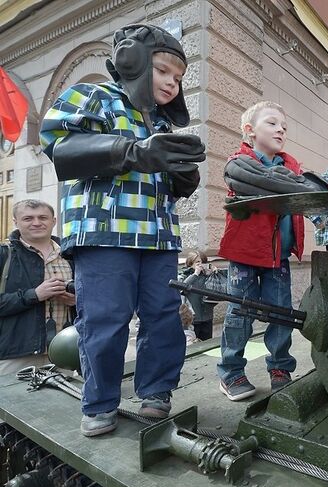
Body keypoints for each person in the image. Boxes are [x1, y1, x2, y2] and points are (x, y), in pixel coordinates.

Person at [39, 24, 205, 437]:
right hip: (102, 234)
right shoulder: (93, 95)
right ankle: (99, 404)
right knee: (105, 320)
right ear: (133, 62)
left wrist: (183, 178)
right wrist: (132, 151)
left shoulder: (163, 123)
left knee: (165, 317)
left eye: (179, 78)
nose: (172, 83)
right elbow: (59, 146)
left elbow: (165, 175)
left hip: (160, 236)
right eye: (164, 71)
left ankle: (156, 392)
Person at [217, 101, 303, 400]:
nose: (280, 129)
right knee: (240, 312)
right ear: (250, 131)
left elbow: (309, 189)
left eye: (284, 126)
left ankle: (280, 367)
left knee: (281, 313)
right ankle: (231, 372)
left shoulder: (291, 167)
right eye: (272, 123)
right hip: (245, 255)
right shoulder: (239, 164)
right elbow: (249, 184)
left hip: (277, 255)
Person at [0, 200, 75, 376]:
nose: (36, 222)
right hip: (15, 353)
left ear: (54, 221)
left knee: (61, 403)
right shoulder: (4, 254)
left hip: (64, 352)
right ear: (15, 221)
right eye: (28, 218)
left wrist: (78, 302)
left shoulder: (71, 254)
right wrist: (34, 295)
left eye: (43, 217)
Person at [179, 251, 217, 341]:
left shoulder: (207, 276)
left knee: (207, 343)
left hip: (207, 316)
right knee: (193, 344)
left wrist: (215, 274)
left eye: (202, 262)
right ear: (190, 263)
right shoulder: (185, 275)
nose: (200, 265)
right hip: (193, 319)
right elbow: (181, 288)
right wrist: (195, 274)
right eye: (197, 262)